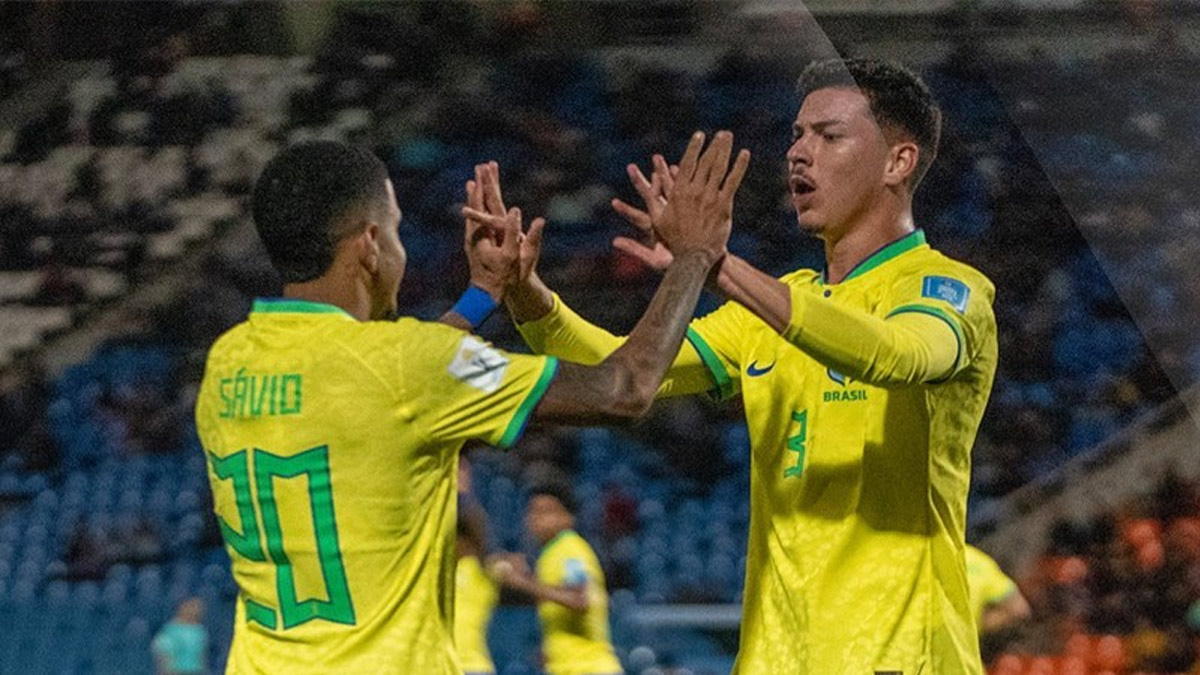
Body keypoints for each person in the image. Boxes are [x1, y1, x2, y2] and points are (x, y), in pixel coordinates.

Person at [482, 58, 999, 673]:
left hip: (900, 655)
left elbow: (896, 355)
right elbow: (624, 370)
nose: (798, 153)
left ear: (898, 162)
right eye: (796, 135)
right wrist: (527, 297)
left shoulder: (949, 290)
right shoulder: (779, 305)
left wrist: (713, 263)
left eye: (829, 136)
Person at [195, 136, 748, 673]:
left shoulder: (228, 361)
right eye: (396, 231)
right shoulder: (410, 364)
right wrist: (693, 257)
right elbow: (625, 388)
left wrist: (483, 294)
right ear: (369, 245)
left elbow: (384, 377)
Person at [490, 481, 622, 675]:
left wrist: (523, 582)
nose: (535, 518)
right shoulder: (549, 554)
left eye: (546, 512)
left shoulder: (570, 549)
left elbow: (579, 598)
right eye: (532, 511)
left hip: (587, 668)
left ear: (567, 518)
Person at [455, 459, 500, 675]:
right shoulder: (437, 569)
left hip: (473, 666)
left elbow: (475, 522)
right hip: (441, 665)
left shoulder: (484, 569)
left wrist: (463, 494)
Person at [965, 544, 1031, 635]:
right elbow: (1018, 608)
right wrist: (976, 625)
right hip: (960, 638)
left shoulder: (944, 555)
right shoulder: (979, 560)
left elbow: (1019, 609)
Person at [151, 597, 209, 675]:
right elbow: (162, 653)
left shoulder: (200, 631)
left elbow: (202, 656)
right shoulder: (170, 630)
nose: (195, 611)